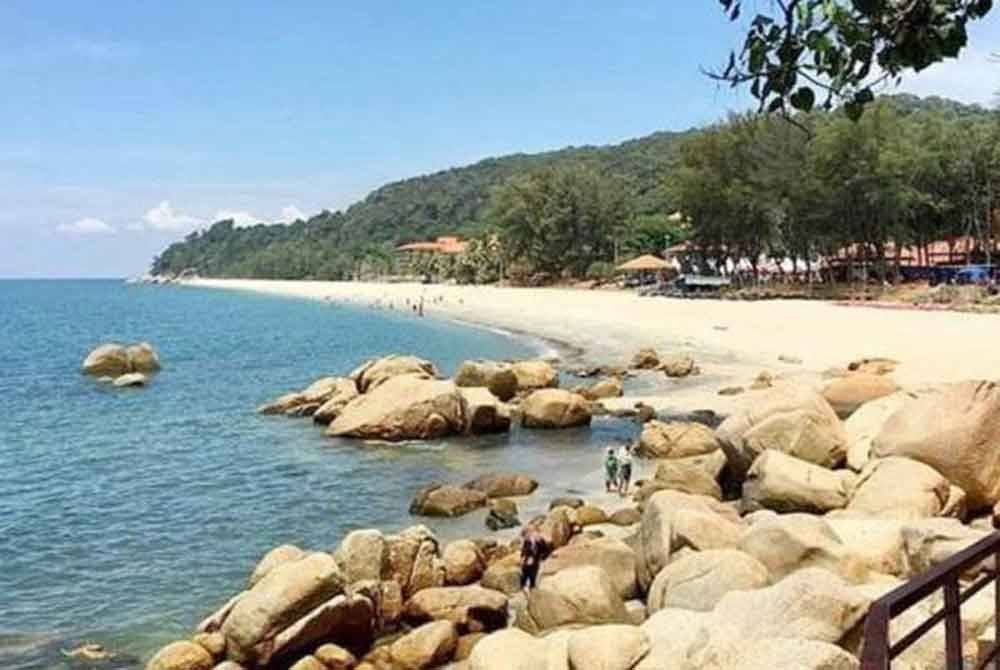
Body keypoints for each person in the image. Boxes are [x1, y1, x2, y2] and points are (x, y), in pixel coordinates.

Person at [520, 526, 549, 594]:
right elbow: (524, 550)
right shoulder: (527, 541)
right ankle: (523, 588)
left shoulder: (540, 541)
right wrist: (522, 558)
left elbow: (546, 551)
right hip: (527, 562)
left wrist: (540, 558)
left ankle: (532, 589)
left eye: (526, 536)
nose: (526, 538)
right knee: (524, 575)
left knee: (533, 576)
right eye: (525, 537)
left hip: (535, 561)